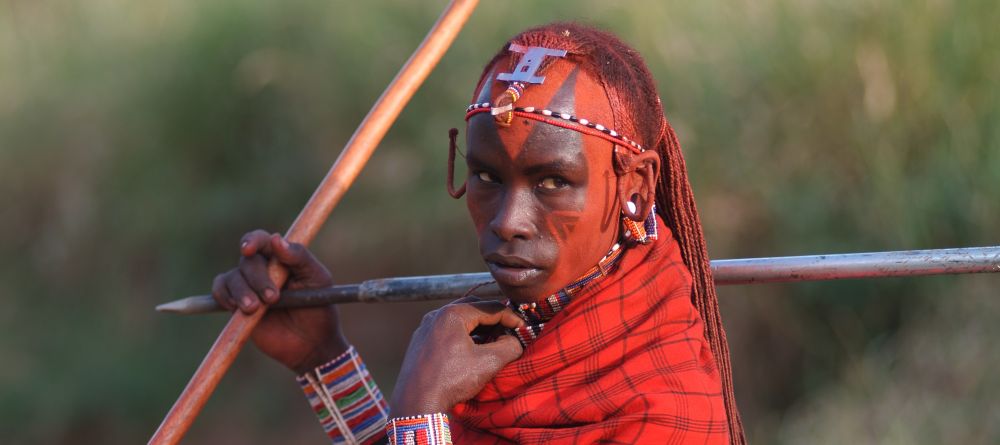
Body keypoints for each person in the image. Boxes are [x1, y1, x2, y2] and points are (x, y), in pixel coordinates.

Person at [211, 22, 745, 444]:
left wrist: (420, 413)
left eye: (554, 181)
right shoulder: (516, 330)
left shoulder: (664, 408)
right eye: (486, 176)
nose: (506, 221)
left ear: (636, 184)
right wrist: (322, 357)